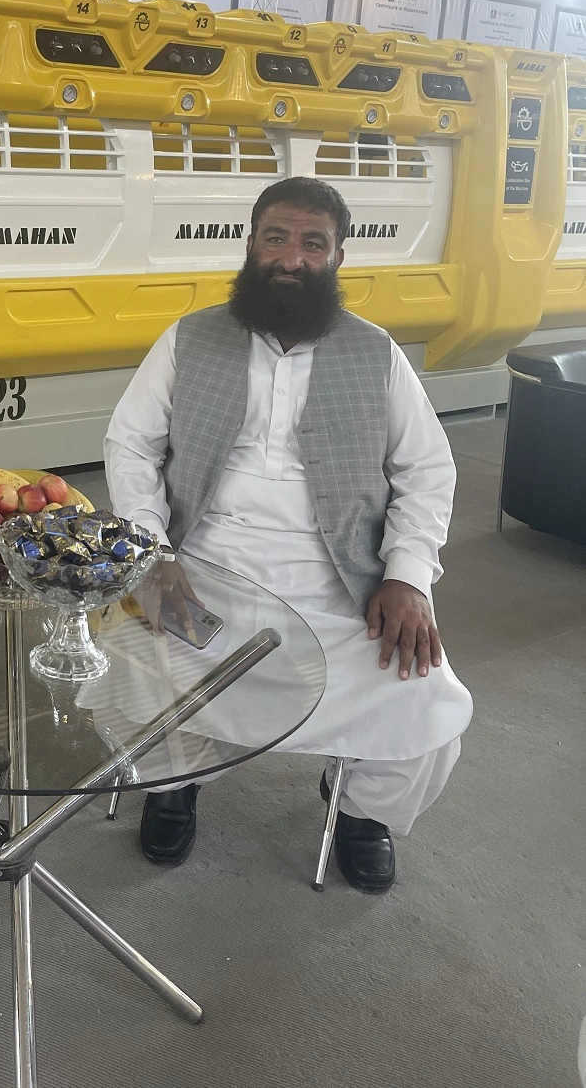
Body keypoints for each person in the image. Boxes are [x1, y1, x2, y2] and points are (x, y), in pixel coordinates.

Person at [104, 176, 473, 891]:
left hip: (339, 583)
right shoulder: (189, 338)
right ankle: (172, 786)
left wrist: (406, 576)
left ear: (338, 256)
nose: (291, 258)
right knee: (131, 661)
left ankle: (361, 812)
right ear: (251, 244)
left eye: (312, 243)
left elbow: (426, 469)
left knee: (425, 693)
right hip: (201, 568)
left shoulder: (375, 352)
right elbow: (130, 446)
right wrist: (151, 553)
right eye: (275, 238)